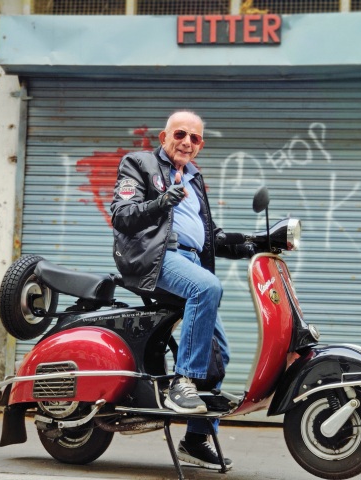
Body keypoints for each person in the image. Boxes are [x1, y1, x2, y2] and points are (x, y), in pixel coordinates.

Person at [110, 111, 253, 470]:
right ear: (164, 136)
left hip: (190, 261)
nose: (187, 142)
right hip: (156, 257)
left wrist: (258, 241)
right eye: (180, 134)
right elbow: (121, 215)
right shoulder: (139, 163)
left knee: (218, 354)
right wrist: (162, 201)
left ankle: (195, 440)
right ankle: (181, 382)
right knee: (207, 287)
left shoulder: (195, 177)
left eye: (196, 138)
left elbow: (213, 236)